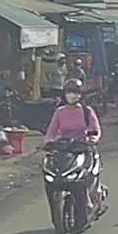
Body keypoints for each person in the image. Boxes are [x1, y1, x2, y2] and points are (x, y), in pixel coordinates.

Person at [43, 78, 104, 213]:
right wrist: (49, 142)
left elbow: (94, 129)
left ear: (81, 94)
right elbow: (51, 131)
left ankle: (90, 197)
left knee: (87, 172)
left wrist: (91, 139)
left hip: (83, 148)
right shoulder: (60, 112)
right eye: (69, 92)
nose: (72, 95)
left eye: (75, 92)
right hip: (65, 149)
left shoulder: (87, 111)